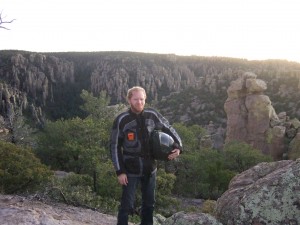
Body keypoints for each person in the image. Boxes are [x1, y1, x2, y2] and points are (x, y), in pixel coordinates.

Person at [110, 86, 183, 225]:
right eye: (136, 99)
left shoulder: (152, 114)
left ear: (145, 99)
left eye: (142, 99)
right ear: (129, 100)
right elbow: (114, 146)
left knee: (149, 204)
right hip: (130, 169)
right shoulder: (122, 120)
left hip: (150, 168)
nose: (139, 102)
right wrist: (120, 171)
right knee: (126, 206)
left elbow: (168, 127)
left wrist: (178, 146)